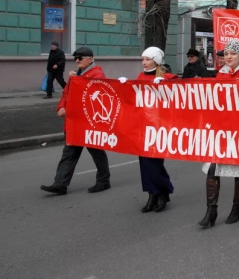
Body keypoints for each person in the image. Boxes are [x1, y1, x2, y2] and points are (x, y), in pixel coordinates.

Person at [198, 40, 239, 227]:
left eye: (233, 53)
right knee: (212, 168)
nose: (229, 57)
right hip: (220, 129)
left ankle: (236, 208)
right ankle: (211, 210)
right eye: (226, 54)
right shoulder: (219, 74)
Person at [40, 47, 111, 195]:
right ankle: (60, 184)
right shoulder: (77, 75)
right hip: (74, 123)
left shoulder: (97, 74)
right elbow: (67, 93)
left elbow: (95, 97)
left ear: (91, 58)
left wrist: (77, 79)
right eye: (75, 58)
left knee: (97, 152)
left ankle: (104, 181)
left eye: (80, 58)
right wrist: (61, 107)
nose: (77, 61)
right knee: (69, 153)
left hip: (89, 123)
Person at [120, 47, 177, 212]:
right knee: (144, 163)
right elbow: (133, 101)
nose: (144, 63)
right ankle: (152, 194)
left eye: (148, 59)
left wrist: (165, 86)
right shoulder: (140, 77)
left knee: (154, 163)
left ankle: (163, 192)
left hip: (159, 128)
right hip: (142, 127)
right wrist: (124, 87)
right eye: (143, 59)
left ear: (156, 61)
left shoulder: (169, 78)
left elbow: (177, 100)